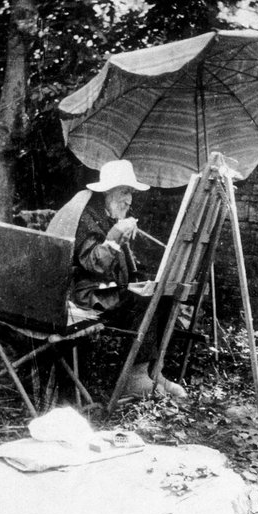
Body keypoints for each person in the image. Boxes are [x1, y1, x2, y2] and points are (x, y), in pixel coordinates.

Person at [73, 159, 186, 400]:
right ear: (107, 192)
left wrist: (121, 240)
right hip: (87, 296)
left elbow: (116, 266)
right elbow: (93, 264)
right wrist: (114, 238)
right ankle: (135, 377)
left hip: (106, 290)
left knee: (161, 293)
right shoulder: (88, 218)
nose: (130, 200)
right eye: (125, 192)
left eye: (131, 193)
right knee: (142, 298)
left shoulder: (109, 215)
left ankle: (154, 371)